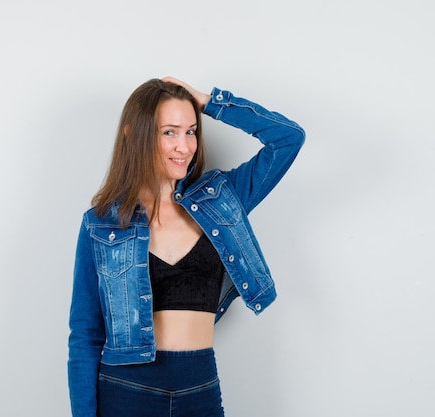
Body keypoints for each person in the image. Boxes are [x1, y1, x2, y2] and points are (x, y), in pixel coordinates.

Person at [67, 77, 305, 417]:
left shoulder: (223, 200)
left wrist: (208, 101)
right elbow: (85, 335)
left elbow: (288, 139)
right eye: (169, 132)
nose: (184, 146)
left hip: (201, 389)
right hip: (127, 390)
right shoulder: (102, 224)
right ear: (134, 134)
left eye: (191, 131)